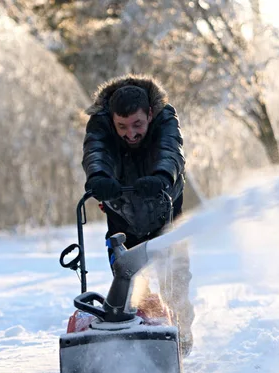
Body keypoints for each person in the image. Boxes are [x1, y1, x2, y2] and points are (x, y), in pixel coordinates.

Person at [81, 74, 194, 356]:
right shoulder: (100, 123)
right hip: (122, 216)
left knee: (176, 283)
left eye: (137, 125)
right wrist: (98, 177)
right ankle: (138, 343)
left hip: (166, 213)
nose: (130, 133)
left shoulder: (166, 119)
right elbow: (96, 152)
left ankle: (181, 334)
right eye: (122, 126)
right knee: (129, 288)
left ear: (150, 114)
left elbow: (172, 152)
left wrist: (161, 176)